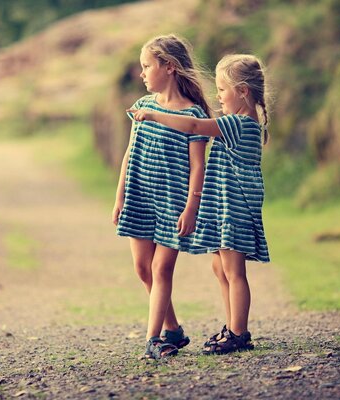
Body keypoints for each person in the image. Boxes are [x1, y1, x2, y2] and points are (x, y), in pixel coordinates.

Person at [128, 53, 271, 354]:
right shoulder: (242, 122)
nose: (218, 97)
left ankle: (239, 333)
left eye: (221, 90)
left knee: (234, 272)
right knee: (220, 269)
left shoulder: (239, 123)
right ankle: (231, 326)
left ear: (242, 91)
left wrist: (155, 115)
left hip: (235, 209)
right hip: (226, 209)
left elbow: (194, 126)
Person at [113, 34, 212, 360]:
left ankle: (154, 339)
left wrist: (191, 207)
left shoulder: (193, 116)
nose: (141, 73)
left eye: (146, 66)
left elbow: (198, 167)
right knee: (143, 269)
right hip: (140, 196)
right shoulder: (142, 108)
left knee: (161, 269)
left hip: (173, 203)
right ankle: (173, 330)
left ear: (168, 67)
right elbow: (129, 153)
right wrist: (120, 195)